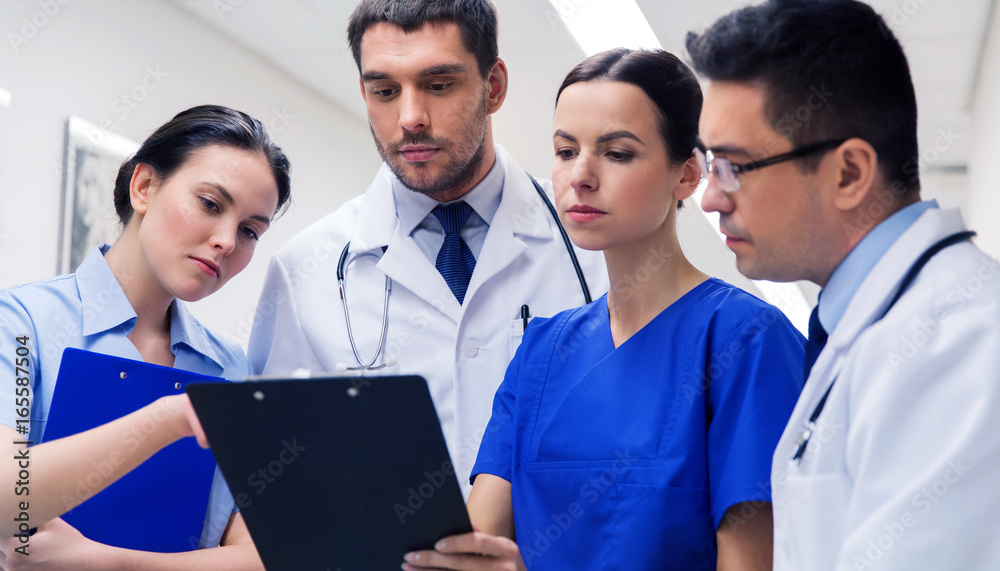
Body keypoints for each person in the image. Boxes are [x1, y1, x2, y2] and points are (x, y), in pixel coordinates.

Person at [403, 47, 805, 571]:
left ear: (686, 175)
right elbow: (469, 551)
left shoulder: (747, 342)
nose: (581, 176)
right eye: (566, 151)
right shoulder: (540, 353)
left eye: (617, 154)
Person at [247, 0, 607, 496]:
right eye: (385, 91)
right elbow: (279, 480)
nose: (410, 117)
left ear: (494, 86)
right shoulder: (305, 269)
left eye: (438, 85)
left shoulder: (593, 246)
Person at [686, 0, 1000, 569]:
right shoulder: (863, 331)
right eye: (708, 163)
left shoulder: (960, 343)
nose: (709, 197)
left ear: (849, 173)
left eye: (732, 165)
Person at [0, 104, 290, 568]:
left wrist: (102, 561)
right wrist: (168, 418)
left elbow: (261, 557)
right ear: (144, 187)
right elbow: (6, 496)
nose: (227, 241)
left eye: (250, 231)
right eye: (211, 204)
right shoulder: (21, 324)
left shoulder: (230, 370)